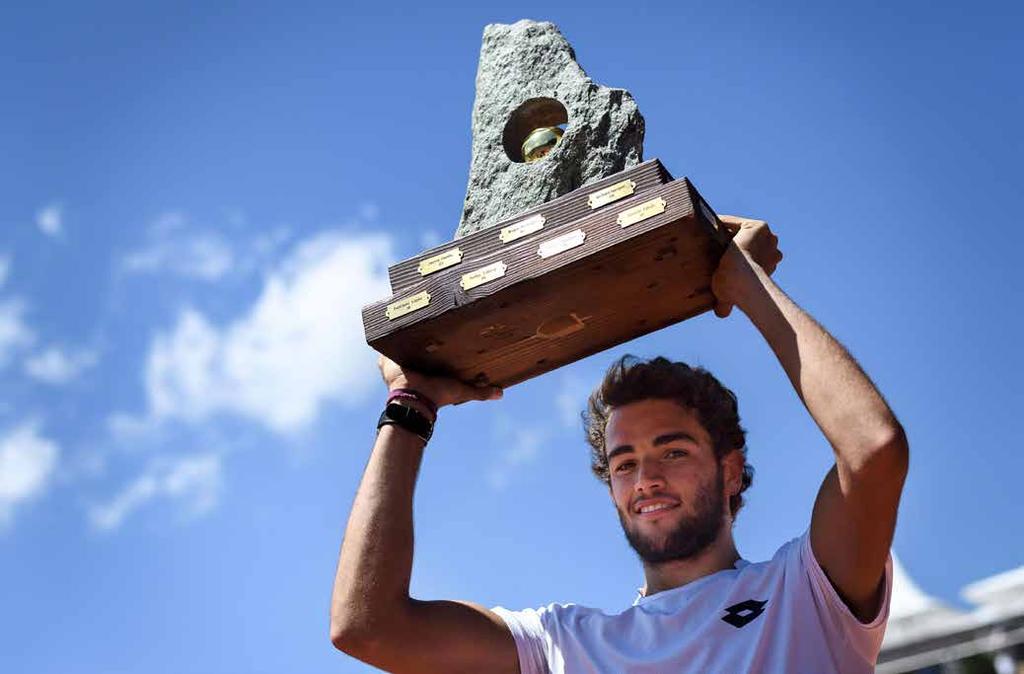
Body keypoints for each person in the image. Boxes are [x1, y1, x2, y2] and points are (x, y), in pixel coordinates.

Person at [329, 215, 908, 673]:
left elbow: (874, 450)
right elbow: (367, 627)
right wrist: (409, 407)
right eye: (624, 463)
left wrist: (745, 282)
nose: (646, 479)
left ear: (731, 471)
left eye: (672, 451)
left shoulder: (802, 594)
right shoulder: (565, 649)